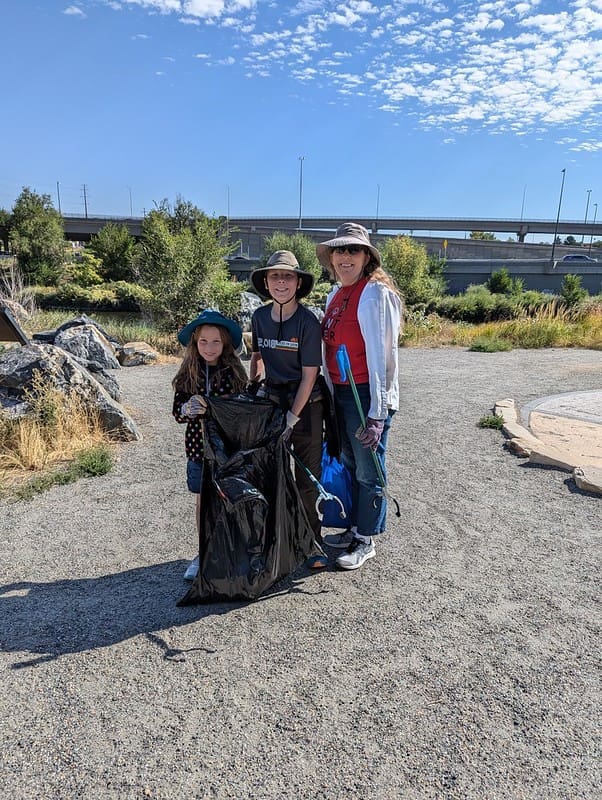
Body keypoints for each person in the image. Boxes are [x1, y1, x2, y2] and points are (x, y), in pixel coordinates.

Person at [317, 222, 402, 570]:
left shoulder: (376, 294)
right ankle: (353, 527)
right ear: (332, 258)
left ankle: (366, 539)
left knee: (369, 469)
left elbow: (385, 356)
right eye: (340, 250)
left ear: (366, 257)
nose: (345, 257)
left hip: (365, 392)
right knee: (350, 463)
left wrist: (377, 413)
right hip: (340, 392)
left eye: (353, 250)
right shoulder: (334, 296)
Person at [249, 250, 328, 568]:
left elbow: (310, 375)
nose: (281, 282)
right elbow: (257, 358)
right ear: (266, 283)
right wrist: (253, 390)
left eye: (287, 276)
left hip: (307, 407)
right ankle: (275, 540)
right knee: (270, 475)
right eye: (275, 276)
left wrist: (291, 420)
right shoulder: (259, 317)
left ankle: (313, 543)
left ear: (298, 283)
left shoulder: (308, 322)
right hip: (272, 402)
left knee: (307, 481)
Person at [172, 309, 248, 580]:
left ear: (225, 343)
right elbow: (177, 413)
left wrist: (217, 408)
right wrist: (187, 408)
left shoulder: (234, 373)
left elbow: (241, 412)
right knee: (203, 502)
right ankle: (204, 552)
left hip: (228, 451)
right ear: (195, 342)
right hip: (197, 451)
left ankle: (232, 550)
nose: (209, 347)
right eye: (203, 341)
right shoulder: (187, 374)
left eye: (216, 341)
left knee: (230, 500)